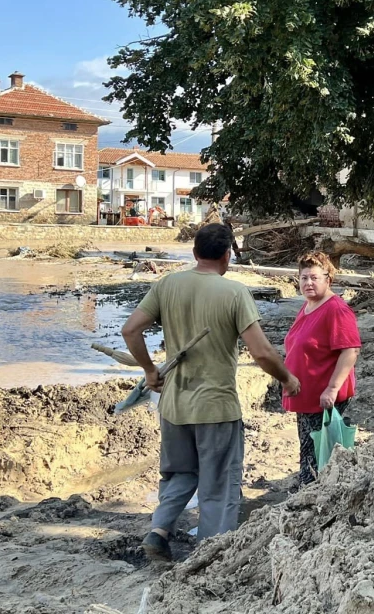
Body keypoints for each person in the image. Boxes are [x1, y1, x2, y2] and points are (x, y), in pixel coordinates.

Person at [121, 223, 301, 560]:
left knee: (178, 473)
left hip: (174, 404)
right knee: (218, 482)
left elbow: (130, 330)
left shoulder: (167, 284)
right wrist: (288, 379)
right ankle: (211, 552)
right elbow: (262, 353)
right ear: (227, 255)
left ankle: (158, 532)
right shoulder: (234, 293)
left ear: (194, 253)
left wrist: (149, 369)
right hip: (216, 407)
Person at [282, 251, 362, 487]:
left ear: (328, 279)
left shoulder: (336, 310)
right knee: (308, 447)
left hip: (323, 396)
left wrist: (332, 388)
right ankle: (307, 488)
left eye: (314, 277)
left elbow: (350, 351)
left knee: (319, 450)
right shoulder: (309, 306)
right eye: (304, 277)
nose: (308, 283)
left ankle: (314, 491)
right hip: (305, 394)